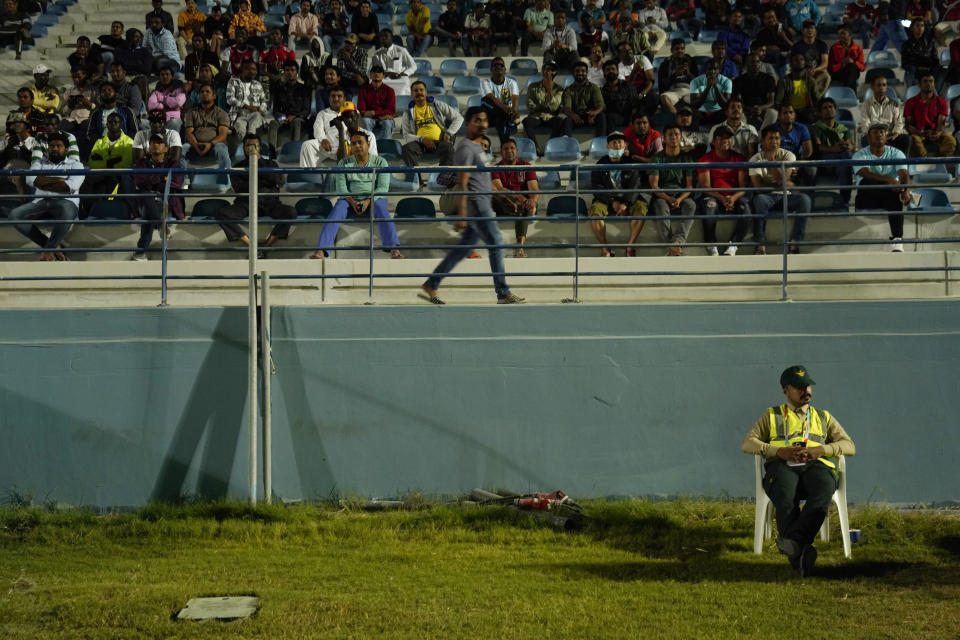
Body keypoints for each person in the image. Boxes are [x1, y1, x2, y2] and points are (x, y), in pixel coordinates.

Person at [742, 365, 855, 577]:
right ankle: (801, 557)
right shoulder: (772, 415)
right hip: (782, 466)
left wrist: (821, 450)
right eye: (800, 387)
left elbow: (850, 446)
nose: (807, 391)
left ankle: (793, 543)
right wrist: (777, 451)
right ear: (786, 390)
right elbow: (748, 443)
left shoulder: (823, 417)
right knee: (784, 496)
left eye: (809, 386)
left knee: (823, 491)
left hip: (817, 466)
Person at [420, 107, 524, 305]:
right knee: (496, 244)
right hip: (477, 205)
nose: (483, 124)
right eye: (477, 120)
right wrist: (462, 213)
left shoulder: (478, 147)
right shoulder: (466, 148)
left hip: (484, 204)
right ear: (467, 123)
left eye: (485, 120)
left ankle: (432, 283)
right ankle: (503, 292)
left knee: (463, 249)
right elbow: (463, 180)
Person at [310, 129, 402, 260]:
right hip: (350, 201)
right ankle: (321, 250)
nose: (357, 146)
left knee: (382, 208)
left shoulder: (381, 162)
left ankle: (394, 248)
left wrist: (367, 201)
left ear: (368, 145)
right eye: (353, 144)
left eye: (360, 142)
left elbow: (382, 188)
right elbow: (341, 188)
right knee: (337, 209)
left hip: (373, 200)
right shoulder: (344, 163)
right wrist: (352, 202)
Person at [215, 133, 298, 252]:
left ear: (259, 147)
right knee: (222, 214)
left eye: (255, 146)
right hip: (246, 203)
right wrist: (263, 181)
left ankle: (266, 245)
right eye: (248, 146)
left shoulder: (271, 164)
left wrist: (258, 166)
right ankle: (251, 246)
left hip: (269, 202)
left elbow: (278, 180)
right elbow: (240, 187)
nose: (251, 148)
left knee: (290, 212)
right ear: (244, 148)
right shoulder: (238, 166)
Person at [8, 134, 83, 261]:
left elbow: (71, 186)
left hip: (66, 202)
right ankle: (52, 246)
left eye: (59, 146)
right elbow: (30, 180)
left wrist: (43, 181)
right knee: (14, 215)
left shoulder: (76, 165)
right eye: (52, 146)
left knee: (67, 213)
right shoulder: (39, 163)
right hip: (41, 201)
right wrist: (59, 181)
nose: (54, 148)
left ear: (66, 149)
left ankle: (48, 250)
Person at [749, 126, 813, 254]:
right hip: (766, 197)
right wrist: (784, 183)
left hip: (786, 196)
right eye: (770, 138)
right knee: (759, 200)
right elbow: (758, 187)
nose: (774, 142)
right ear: (762, 142)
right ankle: (760, 245)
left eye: (777, 138)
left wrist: (772, 161)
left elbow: (783, 180)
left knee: (804, 200)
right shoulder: (755, 159)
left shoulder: (789, 155)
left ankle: (795, 243)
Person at [852, 122, 912, 252]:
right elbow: (865, 173)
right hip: (867, 197)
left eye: (882, 132)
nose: (879, 135)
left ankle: (897, 240)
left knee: (895, 196)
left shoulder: (897, 153)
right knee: (867, 183)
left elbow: (903, 174)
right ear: (868, 137)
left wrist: (905, 190)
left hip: (889, 195)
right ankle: (897, 238)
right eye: (875, 132)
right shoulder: (860, 154)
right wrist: (890, 181)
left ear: (886, 136)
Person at [588, 131, 648, 257]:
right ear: (607, 146)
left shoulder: (631, 164)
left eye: (620, 142)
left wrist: (625, 203)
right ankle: (605, 248)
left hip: (628, 199)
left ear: (625, 145)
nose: (617, 145)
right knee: (595, 213)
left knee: (641, 208)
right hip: (607, 200)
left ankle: (630, 247)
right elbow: (596, 187)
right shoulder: (600, 164)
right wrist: (611, 200)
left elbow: (635, 186)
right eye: (613, 142)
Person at [698, 126, 750, 256]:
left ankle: (733, 245)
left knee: (746, 209)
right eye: (720, 138)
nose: (724, 140)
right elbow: (706, 186)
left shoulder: (739, 158)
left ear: (732, 141)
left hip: (734, 196)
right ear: (714, 141)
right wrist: (722, 198)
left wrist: (732, 198)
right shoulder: (705, 159)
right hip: (714, 196)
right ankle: (711, 244)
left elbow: (743, 186)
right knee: (710, 206)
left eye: (728, 137)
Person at [131, 135, 185, 259]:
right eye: (152, 142)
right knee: (147, 199)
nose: (155, 145)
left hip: (167, 200)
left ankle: (140, 252)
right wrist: (161, 178)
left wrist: (152, 180)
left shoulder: (173, 164)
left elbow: (176, 182)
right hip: (147, 199)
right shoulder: (142, 163)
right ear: (149, 148)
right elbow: (139, 181)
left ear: (166, 148)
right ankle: (161, 224)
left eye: (159, 142)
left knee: (148, 214)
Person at [399, 80, 462, 183]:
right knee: (406, 149)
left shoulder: (437, 105)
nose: (419, 92)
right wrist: (422, 139)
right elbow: (406, 136)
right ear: (412, 94)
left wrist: (449, 133)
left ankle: (444, 177)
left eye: (421, 90)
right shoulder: (408, 112)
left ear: (426, 92)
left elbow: (458, 117)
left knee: (449, 148)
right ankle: (416, 181)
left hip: (440, 141)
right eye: (416, 91)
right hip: (420, 143)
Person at [649, 124, 695, 255]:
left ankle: (676, 242)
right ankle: (673, 246)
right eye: (670, 134)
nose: (673, 137)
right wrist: (668, 198)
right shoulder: (656, 159)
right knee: (660, 205)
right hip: (663, 196)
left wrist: (679, 199)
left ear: (681, 137)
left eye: (676, 134)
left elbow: (689, 186)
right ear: (664, 138)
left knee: (691, 205)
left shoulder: (687, 159)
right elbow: (654, 186)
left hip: (681, 196)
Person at [491, 138, 539, 258]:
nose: (509, 151)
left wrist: (533, 202)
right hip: (504, 201)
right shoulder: (495, 168)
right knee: (495, 193)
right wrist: (519, 197)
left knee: (525, 206)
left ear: (517, 151)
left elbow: (534, 189)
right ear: (501, 152)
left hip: (523, 204)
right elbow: (499, 188)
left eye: (512, 148)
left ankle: (519, 248)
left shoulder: (526, 166)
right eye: (505, 148)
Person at [83, 112, 135, 216]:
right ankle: (86, 212)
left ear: (121, 124)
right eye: (110, 122)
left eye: (116, 122)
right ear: (106, 124)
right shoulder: (99, 142)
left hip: (118, 177)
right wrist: (111, 161)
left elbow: (125, 164)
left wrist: (102, 160)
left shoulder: (129, 142)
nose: (113, 124)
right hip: (100, 177)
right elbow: (92, 163)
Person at [811, 97, 855, 205]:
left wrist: (846, 145)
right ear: (820, 113)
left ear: (835, 110)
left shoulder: (843, 128)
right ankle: (845, 201)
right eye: (825, 108)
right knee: (846, 160)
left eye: (831, 107)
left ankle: (845, 201)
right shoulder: (815, 128)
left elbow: (851, 145)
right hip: (823, 163)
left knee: (846, 158)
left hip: (840, 162)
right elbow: (818, 147)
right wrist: (834, 149)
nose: (828, 110)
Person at [523, 62, 572, 157]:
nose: (549, 73)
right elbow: (530, 106)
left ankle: (549, 147)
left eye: (552, 70)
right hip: (535, 117)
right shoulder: (533, 87)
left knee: (559, 122)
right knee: (526, 121)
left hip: (551, 117)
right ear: (542, 71)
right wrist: (546, 106)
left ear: (556, 73)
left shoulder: (559, 89)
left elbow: (554, 108)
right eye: (547, 69)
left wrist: (549, 89)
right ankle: (535, 148)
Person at [904, 73, 957, 159]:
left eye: (931, 81)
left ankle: (939, 160)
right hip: (918, 134)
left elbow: (941, 123)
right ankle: (924, 161)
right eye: (925, 81)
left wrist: (938, 133)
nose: (928, 84)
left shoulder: (941, 102)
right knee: (914, 140)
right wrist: (919, 132)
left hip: (935, 133)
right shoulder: (911, 102)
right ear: (919, 85)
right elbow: (909, 125)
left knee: (950, 140)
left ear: (934, 84)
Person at [182, 82, 231, 171]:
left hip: (214, 145)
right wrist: (196, 146)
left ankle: (226, 179)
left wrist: (210, 144)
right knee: (183, 149)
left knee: (221, 148)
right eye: (202, 92)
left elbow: (223, 135)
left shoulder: (221, 113)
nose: (204, 94)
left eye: (207, 92)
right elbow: (189, 133)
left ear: (214, 96)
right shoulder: (191, 112)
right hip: (195, 145)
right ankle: (183, 181)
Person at [858, 75, 910, 153]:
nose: (881, 87)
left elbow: (899, 123)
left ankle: (903, 164)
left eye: (884, 85)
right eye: (879, 85)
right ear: (872, 87)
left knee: (907, 139)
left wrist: (894, 135)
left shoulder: (893, 104)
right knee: (865, 139)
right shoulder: (866, 104)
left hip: (890, 137)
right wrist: (877, 136)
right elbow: (865, 124)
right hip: (874, 136)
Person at [268, 59, 311, 149]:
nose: (290, 72)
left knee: (296, 122)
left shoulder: (304, 89)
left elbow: (306, 110)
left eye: (292, 70)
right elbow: (275, 110)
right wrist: (283, 117)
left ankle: (295, 149)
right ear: (284, 72)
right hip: (283, 118)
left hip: (298, 118)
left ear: (297, 72)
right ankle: (271, 151)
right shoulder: (279, 89)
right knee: (273, 123)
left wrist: (294, 116)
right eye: (287, 70)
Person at [775, 52, 824, 126]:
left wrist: (817, 110)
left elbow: (817, 99)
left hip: (806, 111)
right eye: (796, 60)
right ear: (790, 64)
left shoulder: (810, 81)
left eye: (801, 59)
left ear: (805, 63)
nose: (799, 61)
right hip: (790, 111)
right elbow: (778, 102)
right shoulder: (783, 81)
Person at [226, 59, 272, 139]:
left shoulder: (257, 84)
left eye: (254, 70)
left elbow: (264, 100)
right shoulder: (233, 81)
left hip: (255, 113)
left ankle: (251, 137)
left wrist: (261, 109)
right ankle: (243, 143)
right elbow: (230, 99)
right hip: (239, 114)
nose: (253, 72)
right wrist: (246, 106)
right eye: (249, 69)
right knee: (240, 129)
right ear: (242, 70)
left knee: (256, 121)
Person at [480, 57, 520, 143]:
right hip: (490, 116)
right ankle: (509, 117)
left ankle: (504, 145)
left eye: (501, 65)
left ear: (505, 69)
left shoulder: (511, 82)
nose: (498, 67)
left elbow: (515, 98)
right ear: (491, 69)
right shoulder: (485, 82)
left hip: (501, 118)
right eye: (495, 65)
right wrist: (506, 110)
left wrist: (514, 111)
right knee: (485, 101)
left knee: (500, 120)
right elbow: (491, 97)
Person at [562, 61, 606, 138]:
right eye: (577, 71)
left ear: (587, 73)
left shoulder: (594, 87)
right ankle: (566, 142)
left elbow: (600, 105)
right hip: (576, 117)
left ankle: (600, 140)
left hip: (591, 116)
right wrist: (574, 116)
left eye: (583, 71)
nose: (580, 73)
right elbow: (567, 108)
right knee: (567, 120)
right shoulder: (568, 90)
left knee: (601, 116)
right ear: (573, 73)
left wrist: (594, 113)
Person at [774, 103, 816, 186]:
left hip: (797, 162)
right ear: (779, 116)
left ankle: (808, 196)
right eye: (785, 113)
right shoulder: (773, 129)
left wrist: (796, 166)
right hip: (778, 163)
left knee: (811, 170)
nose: (788, 115)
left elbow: (808, 151)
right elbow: (769, 152)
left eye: (791, 112)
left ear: (795, 115)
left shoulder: (802, 128)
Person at [371, 29, 416, 96]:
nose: (383, 38)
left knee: (405, 82)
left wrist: (403, 73)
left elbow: (413, 66)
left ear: (392, 38)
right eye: (381, 36)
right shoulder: (376, 54)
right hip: (384, 78)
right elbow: (376, 70)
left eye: (385, 36)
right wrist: (386, 73)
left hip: (399, 79)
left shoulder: (401, 50)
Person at [658, 38, 696, 114]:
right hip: (672, 91)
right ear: (672, 50)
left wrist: (688, 74)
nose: (680, 51)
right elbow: (662, 85)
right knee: (664, 98)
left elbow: (698, 83)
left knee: (698, 97)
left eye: (682, 48)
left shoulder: (691, 62)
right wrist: (675, 75)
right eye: (677, 49)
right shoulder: (665, 64)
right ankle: (676, 117)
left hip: (688, 90)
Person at [689, 61, 731, 128]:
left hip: (718, 112)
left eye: (715, 69)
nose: (712, 71)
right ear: (705, 70)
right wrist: (708, 87)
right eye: (710, 69)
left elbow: (726, 105)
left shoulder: (726, 81)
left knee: (728, 112)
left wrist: (715, 86)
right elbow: (695, 105)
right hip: (701, 112)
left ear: (719, 70)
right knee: (692, 112)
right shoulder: (695, 81)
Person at [901, 18, 940, 89]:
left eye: (922, 26)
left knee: (941, 70)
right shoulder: (906, 44)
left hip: (929, 72)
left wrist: (930, 69)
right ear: (912, 28)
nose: (920, 28)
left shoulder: (930, 43)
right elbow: (904, 64)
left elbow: (935, 59)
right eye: (917, 25)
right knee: (911, 72)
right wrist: (917, 68)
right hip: (915, 71)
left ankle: (935, 91)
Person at [601, 59, 638, 134]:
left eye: (613, 69)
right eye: (608, 70)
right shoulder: (603, 91)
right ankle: (611, 141)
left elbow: (635, 105)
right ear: (604, 73)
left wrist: (631, 121)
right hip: (616, 118)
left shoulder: (628, 86)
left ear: (617, 71)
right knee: (610, 116)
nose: (611, 71)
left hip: (630, 116)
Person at [147, 66, 187, 133]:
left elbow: (178, 102)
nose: (165, 76)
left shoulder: (179, 89)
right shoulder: (157, 90)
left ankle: (172, 142)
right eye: (162, 75)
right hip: (158, 118)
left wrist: (162, 100)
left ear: (172, 77)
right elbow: (151, 105)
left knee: (174, 122)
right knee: (144, 123)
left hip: (173, 118)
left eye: (167, 74)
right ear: (159, 77)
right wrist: (168, 106)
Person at [828, 24, 865, 89]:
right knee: (851, 74)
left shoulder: (858, 48)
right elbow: (830, 67)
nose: (840, 36)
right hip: (838, 73)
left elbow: (862, 68)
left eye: (843, 33)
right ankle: (850, 93)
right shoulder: (834, 48)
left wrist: (853, 62)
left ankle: (847, 91)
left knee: (851, 67)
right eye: (838, 34)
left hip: (852, 72)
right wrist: (842, 64)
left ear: (850, 34)